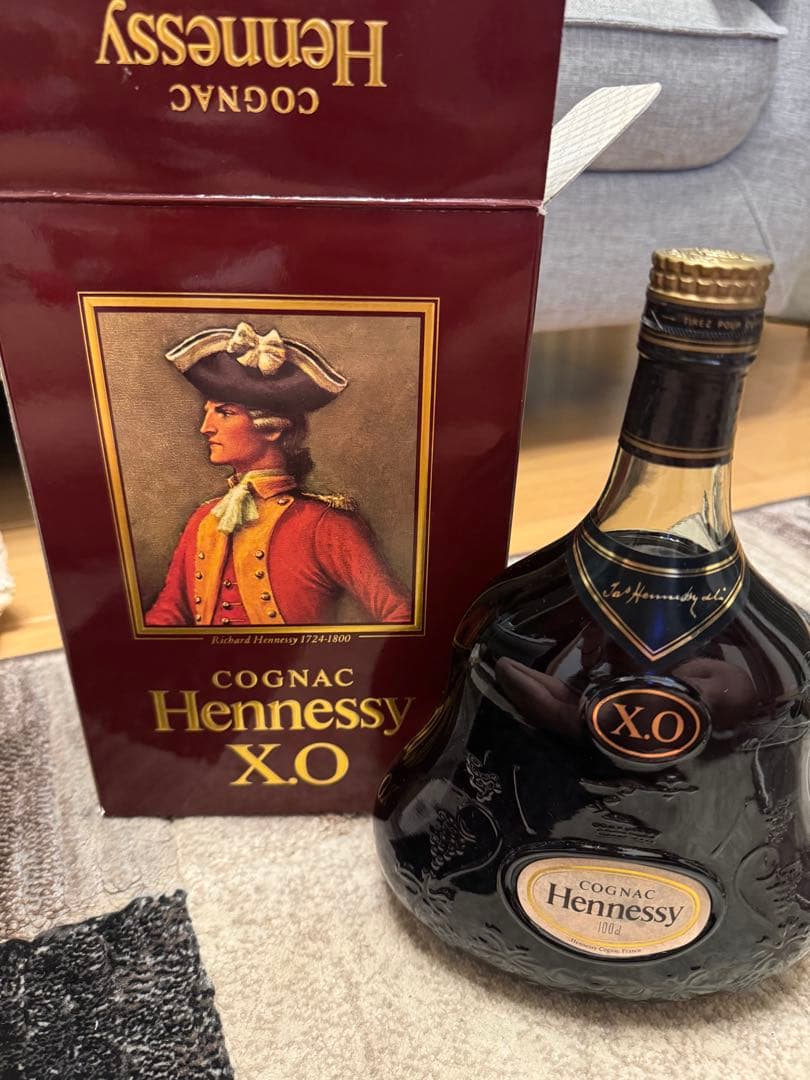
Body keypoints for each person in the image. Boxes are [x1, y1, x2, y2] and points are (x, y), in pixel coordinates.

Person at [145, 322, 412, 627]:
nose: (206, 428)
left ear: (271, 428)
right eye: (208, 412)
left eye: (225, 413)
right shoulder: (203, 520)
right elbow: (166, 618)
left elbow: (401, 616)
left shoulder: (326, 525)